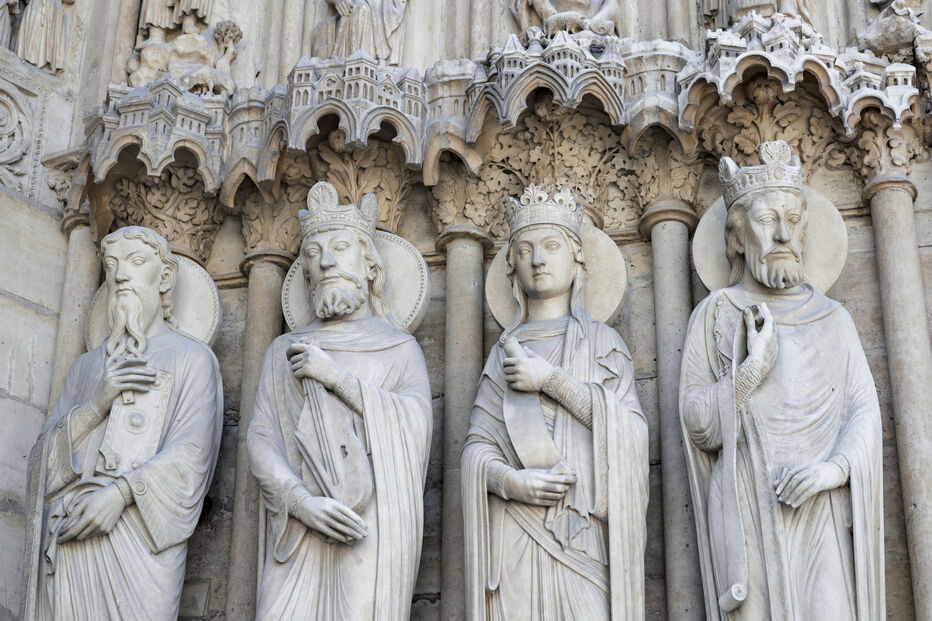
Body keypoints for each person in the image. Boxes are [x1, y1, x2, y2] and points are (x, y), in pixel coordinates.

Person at [680, 141, 884, 619]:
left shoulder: (833, 319)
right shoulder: (714, 314)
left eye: (792, 220)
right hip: (747, 507)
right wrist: (751, 371)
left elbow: (863, 411)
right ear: (735, 237)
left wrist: (830, 471)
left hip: (820, 508)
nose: (782, 234)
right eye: (767, 220)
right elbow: (696, 424)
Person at [462, 185, 648, 620]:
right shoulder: (503, 352)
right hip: (515, 532)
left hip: (582, 532)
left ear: (577, 258)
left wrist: (551, 381)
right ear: (512, 267)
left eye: (550, 247)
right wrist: (510, 483)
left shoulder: (604, 344)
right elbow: (476, 448)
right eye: (524, 250)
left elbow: (632, 435)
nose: (537, 260)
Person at [248, 182, 432, 620]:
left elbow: (417, 428)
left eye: (340, 247)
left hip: (368, 528)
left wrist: (336, 379)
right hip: (297, 530)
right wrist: (299, 502)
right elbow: (261, 438)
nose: (326, 261)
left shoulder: (400, 349)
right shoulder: (284, 350)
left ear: (369, 263)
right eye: (313, 252)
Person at [22, 226, 223, 620]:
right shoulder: (86, 367)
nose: (120, 275)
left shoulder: (192, 359)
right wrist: (95, 405)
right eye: (111, 265)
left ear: (164, 277)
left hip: (137, 544)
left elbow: (192, 456)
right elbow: (39, 467)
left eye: (135, 262)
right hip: (71, 535)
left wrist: (119, 495)